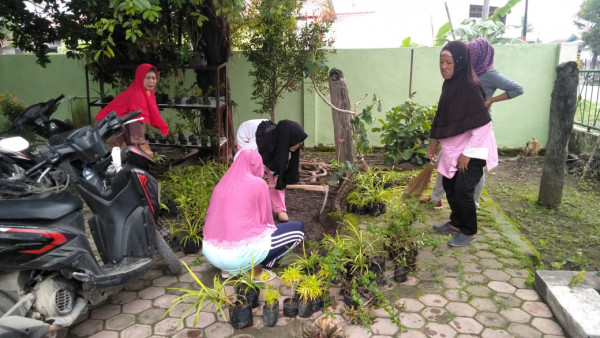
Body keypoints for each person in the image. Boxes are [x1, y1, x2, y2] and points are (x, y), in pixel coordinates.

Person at [420, 38, 523, 210]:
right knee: (446, 160)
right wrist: (438, 138)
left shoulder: (488, 74)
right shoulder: (461, 74)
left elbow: (517, 89)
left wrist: (490, 100)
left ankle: (472, 204)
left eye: (471, 53)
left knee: (474, 168)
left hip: (479, 127)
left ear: (480, 55)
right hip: (459, 126)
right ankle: (436, 198)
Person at [429, 40, 498, 247]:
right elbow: (446, 118)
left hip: (475, 148)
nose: (443, 66)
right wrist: (436, 142)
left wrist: (468, 153)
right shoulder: (450, 84)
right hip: (456, 146)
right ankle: (457, 224)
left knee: (463, 190)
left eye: (448, 62)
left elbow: (483, 125)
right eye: (441, 62)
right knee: (449, 184)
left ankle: (468, 232)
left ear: (459, 63)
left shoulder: (470, 87)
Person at [202, 148, 305, 278]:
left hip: (211, 253)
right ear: (254, 164)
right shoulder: (258, 184)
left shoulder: (220, 185)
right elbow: (267, 221)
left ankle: (227, 271)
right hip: (237, 256)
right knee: (297, 229)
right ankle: (254, 269)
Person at [235, 119, 308, 222]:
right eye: (295, 142)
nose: (298, 145)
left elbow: (278, 166)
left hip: (269, 136)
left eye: (299, 142)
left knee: (279, 178)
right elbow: (239, 158)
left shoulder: (284, 141)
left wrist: (278, 176)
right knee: (252, 171)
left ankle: (280, 210)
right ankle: (250, 207)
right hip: (247, 134)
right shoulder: (255, 144)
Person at [94, 63, 169, 157]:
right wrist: (143, 145)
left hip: (117, 124)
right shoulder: (136, 94)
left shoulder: (146, 93)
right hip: (106, 125)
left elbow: (137, 117)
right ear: (140, 78)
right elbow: (136, 120)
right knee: (117, 155)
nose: (151, 81)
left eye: (154, 78)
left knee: (129, 152)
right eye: (148, 78)